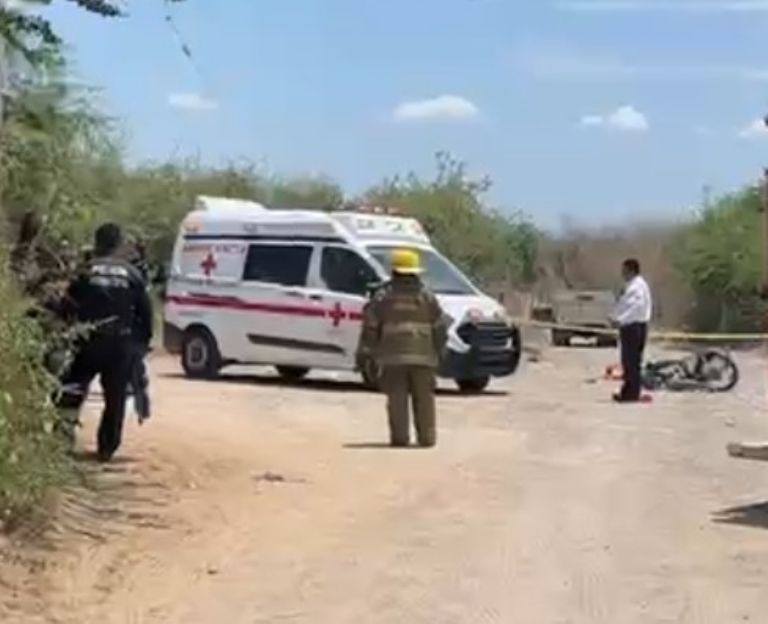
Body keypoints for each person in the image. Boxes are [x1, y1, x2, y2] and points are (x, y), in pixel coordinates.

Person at [57, 223, 153, 461]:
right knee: (115, 398)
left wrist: (65, 334)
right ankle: (106, 448)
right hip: (119, 345)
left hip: (86, 341)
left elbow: (66, 307)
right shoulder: (132, 274)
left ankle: (61, 440)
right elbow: (145, 313)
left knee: (73, 390)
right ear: (118, 244)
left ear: (97, 242)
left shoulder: (84, 271)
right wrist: (140, 345)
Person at [357, 248, 448, 448]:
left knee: (397, 398)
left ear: (394, 271)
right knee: (424, 399)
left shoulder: (383, 297)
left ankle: (400, 438)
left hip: (393, 357)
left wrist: (366, 353)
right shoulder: (427, 296)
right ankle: (427, 438)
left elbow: (371, 326)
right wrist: (441, 351)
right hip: (424, 358)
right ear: (416, 272)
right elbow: (440, 327)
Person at [611, 258, 652, 403]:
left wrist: (620, 319)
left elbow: (636, 307)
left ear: (632, 270)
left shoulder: (637, 287)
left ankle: (631, 394)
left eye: (625, 270)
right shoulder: (631, 286)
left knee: (631, 362)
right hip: (630, 326)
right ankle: (628, 392)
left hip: (634, 326)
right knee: (629, 362)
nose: (622, 273)